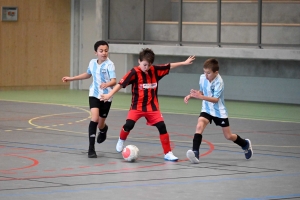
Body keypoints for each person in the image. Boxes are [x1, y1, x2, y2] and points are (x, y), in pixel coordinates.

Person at [100, 48, 195, 161]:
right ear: (139, 61)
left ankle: (168, 153)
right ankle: (121, 140)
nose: (147, 67)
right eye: (144, 65)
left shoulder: (155, 70)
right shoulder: (134, 72)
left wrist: (184, 63)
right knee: (129, 125)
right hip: (137, 107)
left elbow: (169, 66)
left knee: (162, 127)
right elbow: (120, 84)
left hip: (152, 107)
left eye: (149, 65)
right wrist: (109, 95)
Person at [184, 58, 253, 164]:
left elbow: (215, 100)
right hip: (206, 109)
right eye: (204, 72)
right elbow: (202, 91)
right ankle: (195, 153)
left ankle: (245, 144)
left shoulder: (219, 82)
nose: (206, 75)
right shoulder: (202, 78)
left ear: (216, 72)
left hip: (219, 112)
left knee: (228, 136)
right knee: (199, 126)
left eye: (208, 73)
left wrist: (200, 97)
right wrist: (191, 95)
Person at [62, 40, 116, 158]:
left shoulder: (109, 64)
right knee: (94, 118)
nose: (104, 53)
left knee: (101, 124)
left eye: (106, 50)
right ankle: (91, 149)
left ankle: (103, 129)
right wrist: (71, 78)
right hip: (94, 94)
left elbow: (114, 80)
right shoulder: (92, 63)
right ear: (95, 52)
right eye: (101, 51)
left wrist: (107, 84)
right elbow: (87, 74)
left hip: (106, 97)